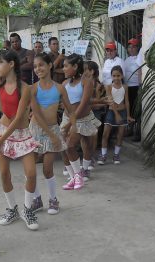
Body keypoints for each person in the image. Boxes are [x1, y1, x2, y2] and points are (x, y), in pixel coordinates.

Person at [0, 50, 40, 230]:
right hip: (3, 131)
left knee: (31, 173)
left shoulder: (25, 88)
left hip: (20, 133)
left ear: (11, 64)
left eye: (0, 62)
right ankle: (12, 209)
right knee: (4, 173)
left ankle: (27, 209)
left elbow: (18, 118)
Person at [29, 53, 73, 214]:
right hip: (35, 130)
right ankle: (37, 199)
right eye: (35, 66)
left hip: (53, 129)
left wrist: (69, 126)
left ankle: (53, 199)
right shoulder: (32, 89)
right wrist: (53, 135)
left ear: (50, 65)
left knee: (47, 168)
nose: (37, 69)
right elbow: (37, 114)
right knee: (30, 170)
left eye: (41, 65)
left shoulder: (60, 88)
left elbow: (71, 111)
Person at [60, 54, 101, 190]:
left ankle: (82, 172)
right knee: (64, 147)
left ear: (75, 66)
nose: (63, 69)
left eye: (66, 66)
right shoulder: (65, 84)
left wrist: (69, 124)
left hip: (81, 120)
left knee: (78, 145)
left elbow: (84, 104)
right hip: (68, 119)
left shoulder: (86, 81)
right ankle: (74, 176)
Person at [97, 66, 134, 165]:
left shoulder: (125, 87)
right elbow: (110, 101)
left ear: (122, 75)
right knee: (105, 134)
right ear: (111, 76)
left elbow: (127, 101)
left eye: (118, 75)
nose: (116, 78)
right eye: (114, 76)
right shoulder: (108, 87)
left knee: (120, 135)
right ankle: (103, 155)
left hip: (122, 112)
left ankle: (116, 155)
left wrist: (128, 115)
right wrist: (116, 115)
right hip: (111, 112)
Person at [83, 61, 108, 170]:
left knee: (93, 137)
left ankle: (91, 158)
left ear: (92, 71)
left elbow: (101, 104)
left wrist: (90, 103)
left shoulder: (99, 86)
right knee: (84, 138)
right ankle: (86, 158)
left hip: (95, 114)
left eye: (85, 70)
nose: (83, 72)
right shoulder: (82, 84)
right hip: (84, 114)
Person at [124, 38, 142, 142]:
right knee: (129, 109)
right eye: (129, 47)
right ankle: (130, 129)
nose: (131, 49)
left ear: (137, 48)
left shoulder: (139, 58)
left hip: (136, 87)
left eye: (133, 47)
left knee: (137, 110)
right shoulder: (127, 59)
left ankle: (137, 133)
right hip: (128, 88)